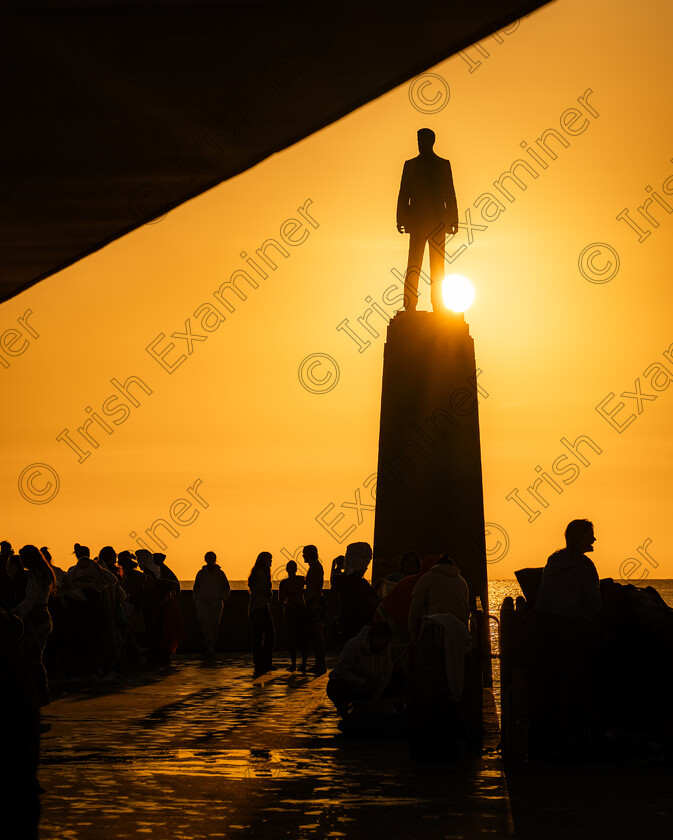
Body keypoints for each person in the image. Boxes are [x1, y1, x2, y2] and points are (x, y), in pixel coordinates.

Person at [532, 519, 602, 758]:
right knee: (574, 686)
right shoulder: (585, 566)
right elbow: (593, 602)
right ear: (577, 538)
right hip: (572, 631)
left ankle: (546, 740)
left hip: (547, 629)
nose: (593, 539)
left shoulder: (553, 561)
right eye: (589, 535)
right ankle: (571, 739)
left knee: (550, 685)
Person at [397, 128, 458, 311]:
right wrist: (401, 218)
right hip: (417, 223)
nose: (419, 143)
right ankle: (409, 303)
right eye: (418, 140)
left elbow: (449, 193)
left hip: (438, 223)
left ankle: (438, 303)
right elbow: (404, 193)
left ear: (431, 141)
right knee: (414, 264)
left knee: (437, 266)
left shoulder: (443, 165)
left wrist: (453, 219)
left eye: (422, 140)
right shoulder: (410, 165)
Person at [326, 622, 394, 727]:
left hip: (370, 687)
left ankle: (363, 712)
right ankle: (346, 714)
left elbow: (387, 673)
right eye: (384, 642)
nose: (386, 646)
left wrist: (376, 696)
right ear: (375, 637)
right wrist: (362, 682)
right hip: (350, 685)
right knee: (336, 686)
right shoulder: (352, 646)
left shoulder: (384, 650)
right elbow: (342, 671)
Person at [12, 545, 56, 705]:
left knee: (31, 657)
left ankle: (40, 693)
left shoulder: (35, 574)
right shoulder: (43, 572)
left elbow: (31, 600)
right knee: (34, 656)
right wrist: (14, 611)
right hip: (43, 615)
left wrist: (18, 617)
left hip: (36, 618)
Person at [408, 553, 469, 642]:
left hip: (433, 634)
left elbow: (415, 611)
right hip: (458, 634)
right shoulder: (462, 582)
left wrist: (413, 637)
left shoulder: (426, 579)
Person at [330, 542, 380, 645]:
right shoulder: (361, 584)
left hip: (346, 626)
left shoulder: (342, 581)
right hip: (360, 628)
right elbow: (374, 604)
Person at [193, 551, 230, 660]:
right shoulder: (201, 573)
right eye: (208, 558)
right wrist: (197, 600)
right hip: (202, 603)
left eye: (211, 558)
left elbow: (226, 587)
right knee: (205, 626)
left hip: (216, 603)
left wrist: (222, 598)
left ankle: (212, 647)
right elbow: (196, 587)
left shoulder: (220, 573)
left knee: (214, 625)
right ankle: (208, 648)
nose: (210, 560)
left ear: (215, 559)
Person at [278, 560, 309, 672]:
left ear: (296, 569)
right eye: (289, 568)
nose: (291, 570)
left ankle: (304, 663)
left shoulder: (301, 579)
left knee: (303, 638)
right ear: (286, 569)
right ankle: (294, 663)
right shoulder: (284, 583)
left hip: (301, 610)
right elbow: (280, 599)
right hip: (290, 611)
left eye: (293, 568)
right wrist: (288, 606)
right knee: (291, 639)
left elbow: (311, 588)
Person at [248, 551, 275, 676]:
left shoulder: (257, 573)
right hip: (260, 607)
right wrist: (269, 594)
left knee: (258, 636)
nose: (270, 562)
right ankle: (265, 662)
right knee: (269, 634)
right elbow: (263, 589)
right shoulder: (261, 573)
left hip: (256, 608)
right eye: (269, 559)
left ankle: (260, 662)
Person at [303, 544, 326, 675]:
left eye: (304, 553)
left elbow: (317, 586)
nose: (302, 556)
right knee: (315, 635)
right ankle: (319, 663)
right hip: (313, 601)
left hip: (315, 603)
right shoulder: (314, 567)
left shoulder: (316, 568)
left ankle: (320, 665)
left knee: (317, 635)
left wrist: (315, 603)